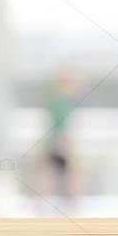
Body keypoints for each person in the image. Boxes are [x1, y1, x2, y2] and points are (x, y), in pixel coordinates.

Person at [43, 69, 82, 210]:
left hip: (55, 142)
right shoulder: (61, 100)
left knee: (53, 173)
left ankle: (43, 204)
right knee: (66, 173)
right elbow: (60, 124)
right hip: (60, 143)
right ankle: (70, 203)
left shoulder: (58, 99)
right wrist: (63, 142)